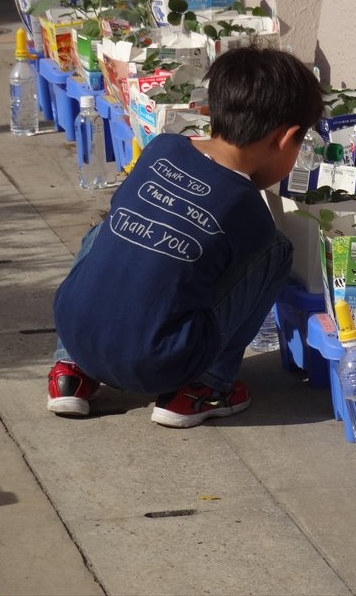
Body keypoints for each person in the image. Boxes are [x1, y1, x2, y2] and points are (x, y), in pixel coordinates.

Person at [47, 45, 324, 428]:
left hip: (74, 328)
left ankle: (69, 372)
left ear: (212, 113)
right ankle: (205, 386)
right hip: (156, 363)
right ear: (285, 138)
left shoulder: (164, 147)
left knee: (110, 226)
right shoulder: (249, 212)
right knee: (276, 251)